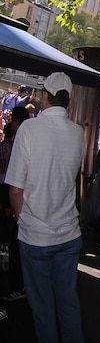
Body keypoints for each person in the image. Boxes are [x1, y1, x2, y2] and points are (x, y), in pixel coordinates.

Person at [4, 72, 87, 343]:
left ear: (46, 96)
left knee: (42, 309)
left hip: (35, 236)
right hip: (69, 233)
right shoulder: (77, 133)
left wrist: (25, 219)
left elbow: (15, 190)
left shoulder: (29, 129)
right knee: (68, 304)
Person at [0, 106, 31, 303]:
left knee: (9, 241)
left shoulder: (8, 146)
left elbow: (13, 187)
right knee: (13, 243)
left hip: (9, 196)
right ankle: (15, 284)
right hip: (19, 199)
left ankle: (11, 284)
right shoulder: (29, 143)